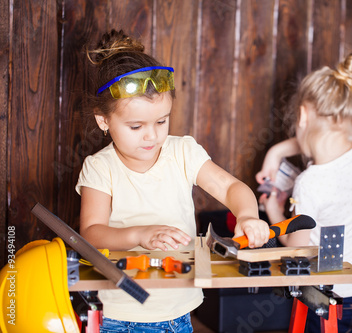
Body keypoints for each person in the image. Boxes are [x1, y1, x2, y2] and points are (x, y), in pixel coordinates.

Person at [76, 29, 270, 333]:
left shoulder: (183, 152)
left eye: (162, 121)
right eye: (136, 126)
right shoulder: (100, 168)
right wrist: (139, 234)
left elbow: (231, 188)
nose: (152, 135)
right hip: (119, 316)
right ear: (104, 121)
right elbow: (91, 233)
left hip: (178, 314)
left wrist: (247, 215)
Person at [256, 53, 352, 332]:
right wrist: (276, 153)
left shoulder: (310, 183)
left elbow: (295, 247)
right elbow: (321, 135)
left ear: (303, 115)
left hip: (333, 299)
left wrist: (273, 210)